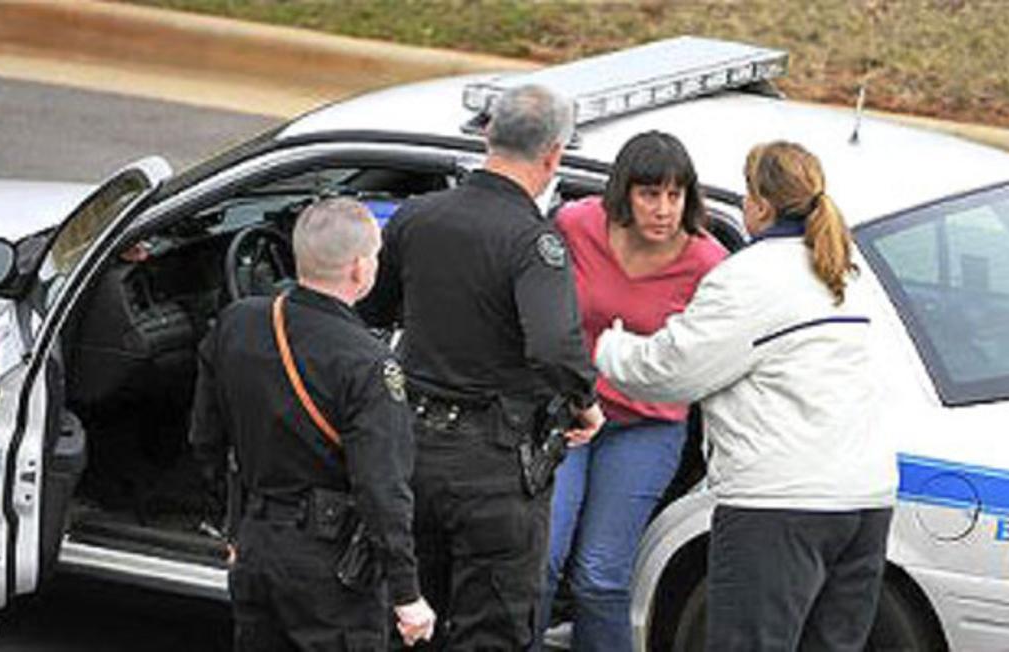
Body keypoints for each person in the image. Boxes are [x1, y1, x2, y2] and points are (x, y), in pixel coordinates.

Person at [595, 141, 897, 651]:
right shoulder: (848, 269)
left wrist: (609, 346)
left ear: (758, 204)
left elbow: (673, 372)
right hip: (866, 501)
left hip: (778, 507)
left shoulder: (747, 277)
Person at [360, 84, 605, 650]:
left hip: (411, 452)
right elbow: (552, 346)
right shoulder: (532, 243)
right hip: (492, 467)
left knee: (408, 619)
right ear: (554, 157)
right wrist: (584, 403)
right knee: (490, 630)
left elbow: (371, 309)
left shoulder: (417, 216)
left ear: (488, 136)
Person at [190, 197, 436, 651]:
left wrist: (232, 526)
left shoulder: (237, 323)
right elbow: (382, 489)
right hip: (330, 565)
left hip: (258, 541)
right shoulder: (367, 363)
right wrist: (407, 595)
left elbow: (205, 438)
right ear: (361, 270)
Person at [536, 131, 727, 651]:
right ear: (624, 192)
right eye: (649, 194)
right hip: (570, 412)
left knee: (600, 572)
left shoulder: (707, 262)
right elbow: (535, 303)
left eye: (675, 195)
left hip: (647, 425)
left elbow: (716, 350)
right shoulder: (577, 225)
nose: (663, 209)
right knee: (542, 561)